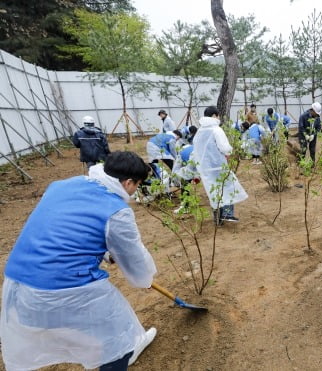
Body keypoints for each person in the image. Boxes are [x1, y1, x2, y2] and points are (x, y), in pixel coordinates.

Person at [1, 151, 157, 370]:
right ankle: (118, 358)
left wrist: (103, 252)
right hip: (64, 291)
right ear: (129, 182)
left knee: (90, 329)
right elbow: (136, 263)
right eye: (138, 185)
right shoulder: (117, 211)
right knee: (117, 334)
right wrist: (145, 279)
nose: (135, 191)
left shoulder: (63, 185)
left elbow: (64, 227)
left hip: (17, 283)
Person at [193, 106, 248, 224]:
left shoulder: (200, 131)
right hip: (218, 165)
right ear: (214, 115)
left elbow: (196, 150)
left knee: (213, 191)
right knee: (227, 187)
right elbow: (225, 147)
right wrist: (228, 152)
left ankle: (217, 218)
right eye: (218, 115)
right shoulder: (216, 129)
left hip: (205, 167)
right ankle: (227, 214)